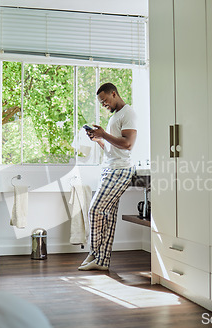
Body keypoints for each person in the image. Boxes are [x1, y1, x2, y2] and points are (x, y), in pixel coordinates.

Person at [78, 82, 137, 271]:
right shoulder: (116, 117)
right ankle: (102, 261)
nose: (104, 105)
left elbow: (128, 144)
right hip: (110, 167)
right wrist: (99, 140)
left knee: (94, 210)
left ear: (114, 93)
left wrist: (104, 133)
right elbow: (114, 148)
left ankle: (94, 252)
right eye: (101, 103)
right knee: (108, 216)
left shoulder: (128, 113)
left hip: (120, 170)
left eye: (104, 101)